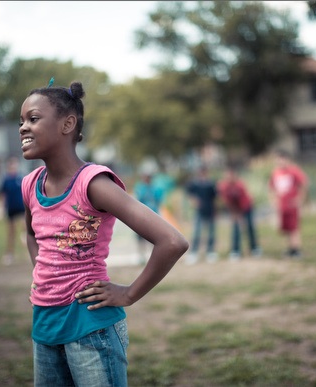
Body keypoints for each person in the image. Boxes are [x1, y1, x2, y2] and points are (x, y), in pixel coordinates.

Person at [19, 79, 189, 387]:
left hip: (91, 327)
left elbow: (172, 241)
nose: (23, 128)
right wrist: (44, 275)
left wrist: (128, 294)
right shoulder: (29, 184)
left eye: (33, 118)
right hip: (44, 326)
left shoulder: (93, 184)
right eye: (21, 122)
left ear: (67, 124)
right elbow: (31, 234)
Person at [268, 149, 308, 258]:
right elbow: (271, 188)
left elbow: (303, 184)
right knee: (286, 229)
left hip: (292, 205)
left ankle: (297, 249)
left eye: (282, 160)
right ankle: (290, 248)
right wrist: (273, 201)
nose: (280, 162)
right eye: (278, 160)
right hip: (282, 205)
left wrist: (300, 199)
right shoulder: (275, 173)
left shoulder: (294, 171)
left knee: (294, 228)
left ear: (287, 160)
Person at [217, 165, 262, 261]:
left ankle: (254, 248)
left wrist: (240, 214)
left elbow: (244, 201)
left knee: (249, 227)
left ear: (235, 175)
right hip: (234, 209)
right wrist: (234, 214)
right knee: (236, 228)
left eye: (230, 174)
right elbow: (226, 201)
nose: (228, 176)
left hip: (246, 207)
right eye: (226, 174)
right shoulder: (223, 186)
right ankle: (235, 250)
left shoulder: (240, 185)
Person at [184, 165, 218, 264]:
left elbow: (214, 196)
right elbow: (189, 193)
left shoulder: (210, 183)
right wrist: (193, 200)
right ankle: (193, 253)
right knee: (197, 232)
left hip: (210, 210)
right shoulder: (194, 183)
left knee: (211, 232)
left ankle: (210, 251)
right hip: (199, 211)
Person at [133, 172, 164, 264]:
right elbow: (137, 200)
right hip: (142, 216)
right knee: (140, 237)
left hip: (153, 215)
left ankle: (153, 256)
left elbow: (159, 200)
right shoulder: (140, 188)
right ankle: (141, 256)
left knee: (154, 237)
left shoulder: (156, 189)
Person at [0, 156, 26, 265]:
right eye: (12, 164)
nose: (14, 166)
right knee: (11, 234)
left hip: (21, 209)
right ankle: (10, 254)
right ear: (9, 166)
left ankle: (29, 252)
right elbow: (3, 195)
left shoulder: (21, 178)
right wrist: (2, 210)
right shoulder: (6, 180)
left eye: (15, 164)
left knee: (26, 230)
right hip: (11, 209)